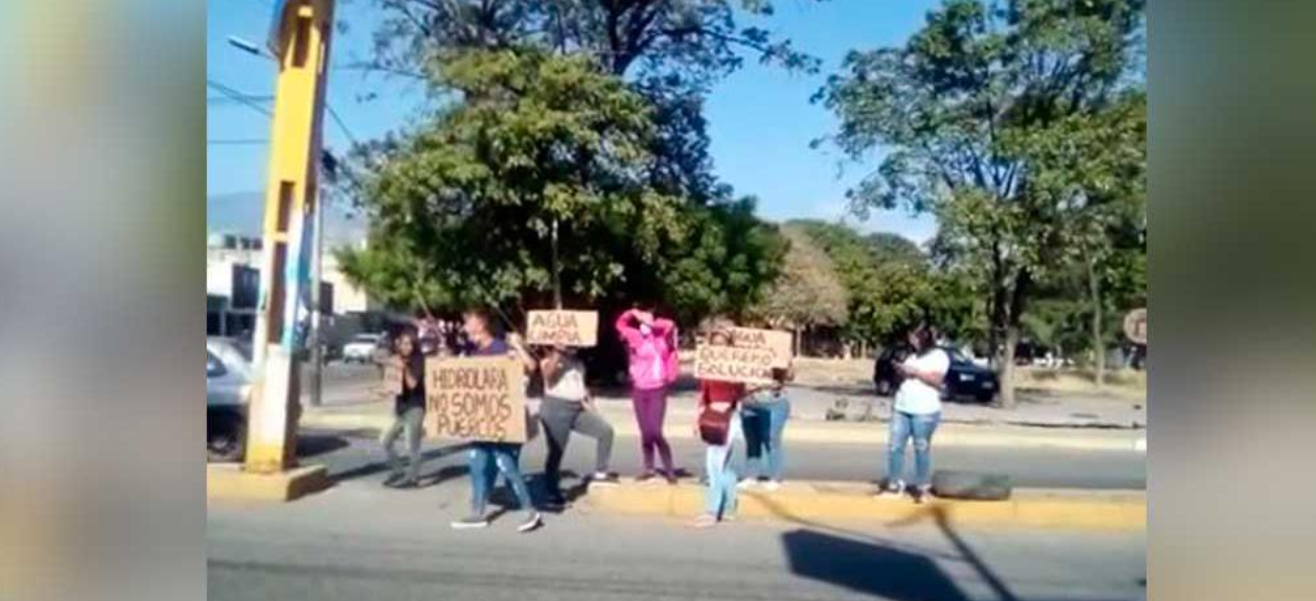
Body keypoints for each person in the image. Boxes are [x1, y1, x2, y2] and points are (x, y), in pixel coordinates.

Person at [449, 309, 544, 533]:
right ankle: (477, 514)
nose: (465, 327)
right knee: (478, 464)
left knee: (505, 464)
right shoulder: (471, 352)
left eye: (468, 322)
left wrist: (518, 347)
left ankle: (530, 510)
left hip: (500, 419)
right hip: (480, 419)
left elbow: (530, 366)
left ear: (481, 324)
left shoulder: (501, 347)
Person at [537, 345, 619, 509]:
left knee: (605, 431)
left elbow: (581, 386)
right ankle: (551, 491)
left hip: (577, 408)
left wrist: (590, 405)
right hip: (556, 408)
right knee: (556, 451)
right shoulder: (549, 360)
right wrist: (557, 354)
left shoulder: (578, 362)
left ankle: (601, 473)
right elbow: (548, 375)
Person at [878, 324, 949, 504]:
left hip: (925, 410)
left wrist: (915, 372)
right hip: (902, 406)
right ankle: (894, 485)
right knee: (895, 446)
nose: (912, 340)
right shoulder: (909, 355)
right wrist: (899, 371)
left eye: (915, 337)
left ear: (925, 338)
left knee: (921, 448)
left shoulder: (939, 356)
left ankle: (921, 488)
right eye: (910, 337)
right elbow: (900, 379)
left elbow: (937, 380)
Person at [615, 306, 680, 483]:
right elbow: (620, 324)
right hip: (639, 389)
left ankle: (669, 469)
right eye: (641, 323)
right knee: (645, 432)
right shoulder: (635, 337)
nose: (643, 325)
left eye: (647, 322)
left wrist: (650, 322)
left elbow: (670, 325)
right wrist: (632, 313)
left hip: (657, 389)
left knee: (655, 431)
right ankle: (648, 467)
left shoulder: (661, 339)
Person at [691, 328, 747, 528]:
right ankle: (730, 508)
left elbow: (741, 394)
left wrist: (729, 402)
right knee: (724, 467)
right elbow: (703, 396)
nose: (719, 347)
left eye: (723, 343)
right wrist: (697, 418)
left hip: (729, 419)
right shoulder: (707, 368)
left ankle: (712, 512)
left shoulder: (737, 368)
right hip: (711, 418)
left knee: (713, 466)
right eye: (715, 343)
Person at [381, 329, 425, 489]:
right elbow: (393, 385)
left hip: (415, 407)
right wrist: (384, 390)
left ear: (414, 345)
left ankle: (413, 478)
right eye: (403, 344)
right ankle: (397, 470)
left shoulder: (418, 360)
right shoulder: (397, 359)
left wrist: (405, 367)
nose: (405, 347)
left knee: (411, 445)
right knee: (386, 440)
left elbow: (413, 384)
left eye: (409, 344)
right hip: (401, 408)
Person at [739, 366, 792, 492]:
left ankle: (774, 477)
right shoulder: (744, 353)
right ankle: (751, 476)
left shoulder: (779, 354)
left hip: (774, 403)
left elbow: (790, 375)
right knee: (752, 440)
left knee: (771, 439)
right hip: (749, 402)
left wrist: (780, 370)